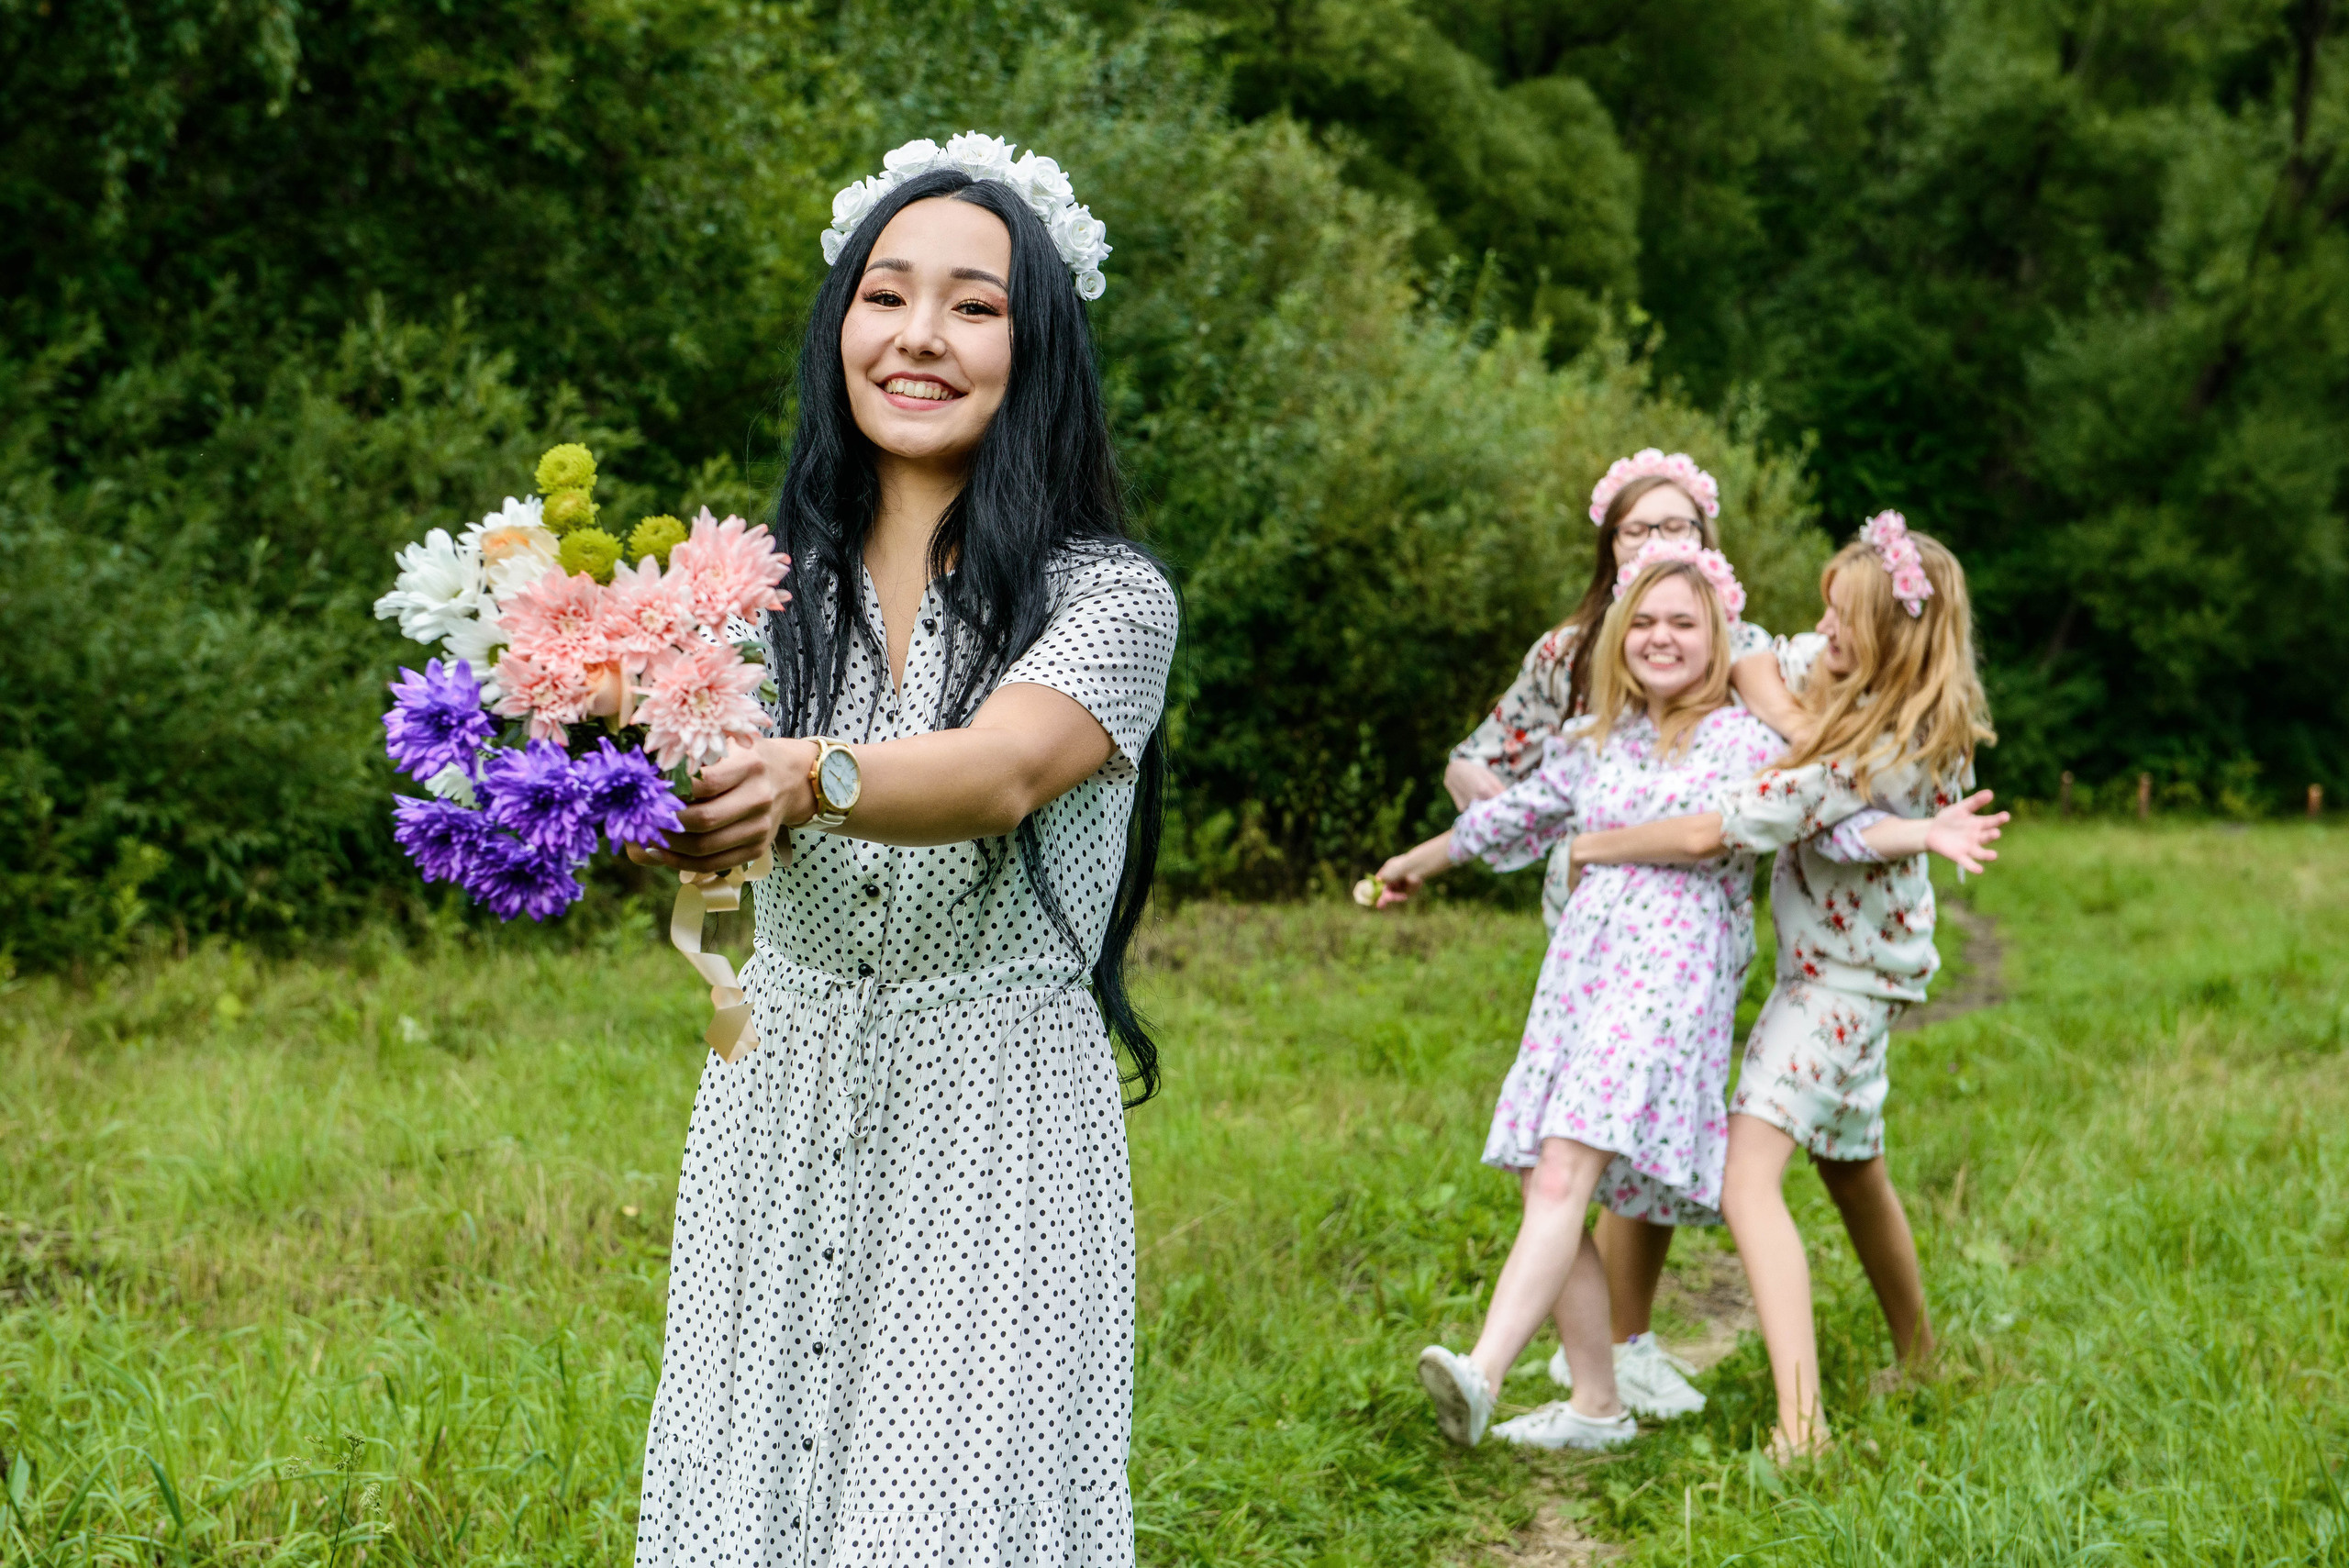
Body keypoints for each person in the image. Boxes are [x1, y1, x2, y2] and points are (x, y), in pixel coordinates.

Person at [626, 135, 1176, 1566]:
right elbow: (697, 803)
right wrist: (659, 810)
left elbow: (1001, 773)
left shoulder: (1109, 598)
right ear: (841, 327)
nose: (920, 336)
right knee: (750, 1494)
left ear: (1035, 345)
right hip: (780, 1093)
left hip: (995, 1116)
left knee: (945, 1514)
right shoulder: (748, 595)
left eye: (975, 306)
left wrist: (803, 773)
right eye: (887, 295)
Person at [1566, 512, 2005, 1460]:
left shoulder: (1885, 745)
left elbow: (1717, 827)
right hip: (1831, 972)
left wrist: (1590, 842)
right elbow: (1754, 650)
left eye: (1844, 621)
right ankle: (1919, 1354)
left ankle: (1800, 1426)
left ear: (1892, 636)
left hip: (1841, 986)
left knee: (1744, 1173)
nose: (1825, 634)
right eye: (1826, 612)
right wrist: (1784, 701)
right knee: (1851, 1166)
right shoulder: (1835, 679)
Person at [1373, 541, 1783, 1451]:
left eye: (1682, 621)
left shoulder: (1744, 737)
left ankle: (1481, 1371)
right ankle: (1596, 1405)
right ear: (1617, 635)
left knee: (1561, 1170)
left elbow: (1706, 835)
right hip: (1580, 977)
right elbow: (1505, 817)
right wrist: (1419, 861)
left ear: (1717, 635)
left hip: (1667, 975)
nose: (1660, 637)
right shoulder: (1596, 739)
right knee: (1542, 1176)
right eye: (1642, 620)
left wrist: (1597, 848)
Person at [1443, 450, 1808, 1420]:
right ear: (1609, 547)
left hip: (1672, 955)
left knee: (1584, 1157)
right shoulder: (1577, 675)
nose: (1656, 550)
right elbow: (1497, 784)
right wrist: (1439, 843)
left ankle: (1549, 1359)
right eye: (1636, 531)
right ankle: (1600, 1385)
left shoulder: (1742, 682)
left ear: (1707, 547)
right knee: (1557, 1162)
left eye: (1676, 527)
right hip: (1583, 951)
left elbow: (1791, 773)